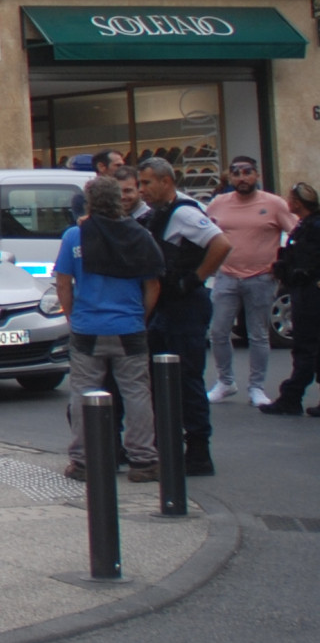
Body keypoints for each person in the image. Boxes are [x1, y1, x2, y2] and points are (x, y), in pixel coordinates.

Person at [54, 175, 161, 482]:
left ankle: (84, 460)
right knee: (136, 393)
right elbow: (152, 284)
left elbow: (63, 283)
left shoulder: (75, 236)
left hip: (88, 326)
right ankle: (143, 460)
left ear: (89, 202)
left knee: (83, 392)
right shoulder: (139, 235)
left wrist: (74, 316)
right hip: (128, 326)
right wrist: (140, 316)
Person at [135, 157, 228, 476]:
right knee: (160, 378)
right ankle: (166, 445)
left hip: (186, 306)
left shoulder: (185, 212)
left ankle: (199, 451)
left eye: (147, 183)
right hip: (167, 306)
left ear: (165, 181)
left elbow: (221, 243)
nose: (142, 189)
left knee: (187, 378)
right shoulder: (158, 214)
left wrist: (196, 278)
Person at [205, 155, 296, 405]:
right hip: (227, 276)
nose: (242, 178)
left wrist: (283, 265)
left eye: (247, 172)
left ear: (256, 175)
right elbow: (203, 233)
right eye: (236, 173)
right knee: (218, 331)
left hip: (261, 277)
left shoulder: (274, 204)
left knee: (258, 334)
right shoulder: (218, 203)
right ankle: (225, 382)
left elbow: (296, 234)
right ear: (229, 177)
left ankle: (256, 387)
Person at [261, 183, 320, 417]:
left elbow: (306, 264)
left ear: (297, 202)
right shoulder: (306, 225)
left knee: (306, 345)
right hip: (306, 291)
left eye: (290, 197)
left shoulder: (312, 227)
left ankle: (291, 397)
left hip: (310, 293)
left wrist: (289, 271)